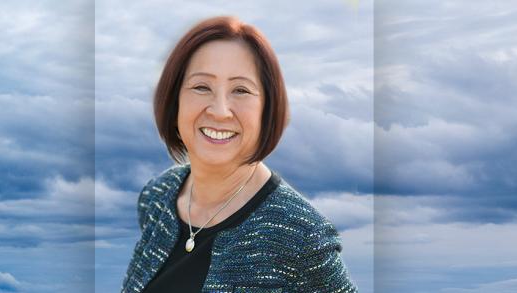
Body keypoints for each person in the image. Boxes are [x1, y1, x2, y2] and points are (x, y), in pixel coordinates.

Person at [121, 16, 358, 292]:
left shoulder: (301, 236)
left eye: (241, 90)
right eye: (201, 87)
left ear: (267, 110)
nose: (220, 111)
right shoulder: (157, 198)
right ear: (175, 101)